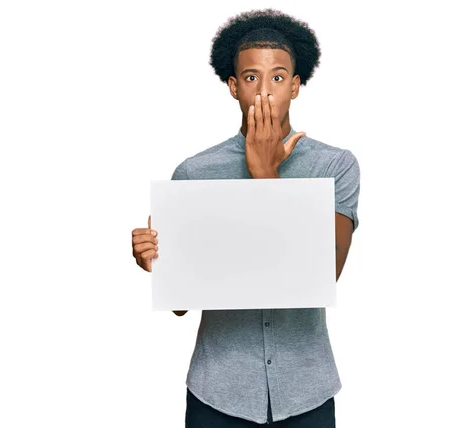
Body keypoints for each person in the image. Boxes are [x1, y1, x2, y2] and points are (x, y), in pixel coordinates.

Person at [131, 8, 360, 427]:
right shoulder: (194, 173)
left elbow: (324, 274)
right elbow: (181, 305)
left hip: (305, 392)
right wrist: (155, 262)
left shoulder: (335, 166)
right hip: (218, 393)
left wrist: (265, 173)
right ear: (234, 87)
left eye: (278, 77)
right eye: (252, 77)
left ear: (295, 86)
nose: (266, 90)